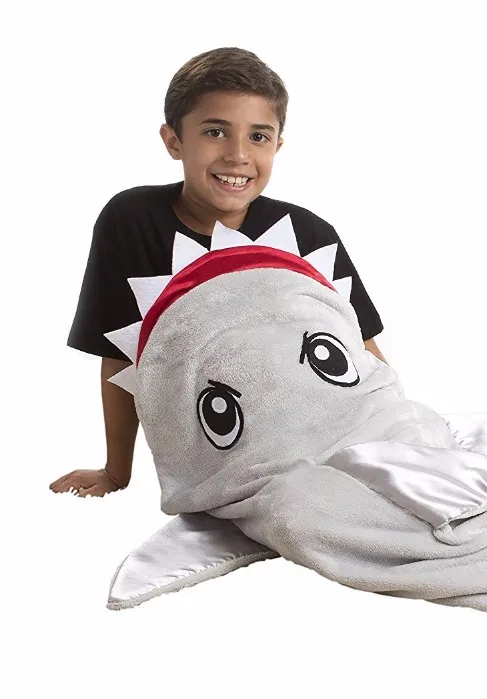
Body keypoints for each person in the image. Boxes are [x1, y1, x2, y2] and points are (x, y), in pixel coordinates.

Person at [50, 47, 386, 498]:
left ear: (277, 146)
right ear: (174, 141)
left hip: (330, 445)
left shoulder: (310, 235)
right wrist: (116, 472)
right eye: (215, 132)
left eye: (259, 136)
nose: (238, 155)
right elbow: (121, 356)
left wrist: (401, 450)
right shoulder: (130, 221)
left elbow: (365, 357)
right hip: (221, 459)